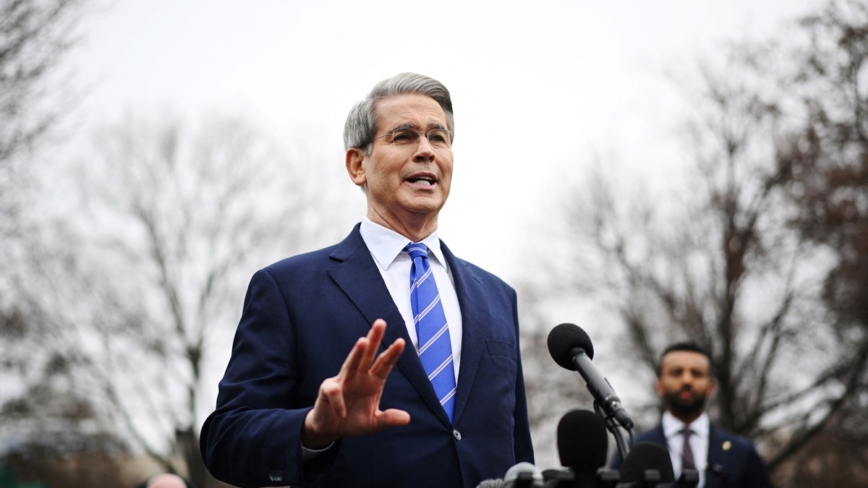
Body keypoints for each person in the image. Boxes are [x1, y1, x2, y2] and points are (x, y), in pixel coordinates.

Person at [199, 73, 534, 488]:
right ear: (358, 165)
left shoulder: (498, 297)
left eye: (439, 137)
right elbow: (227, 438)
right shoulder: (289, 290)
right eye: (404, 136)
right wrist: (313, 428)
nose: (426, 151)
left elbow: (520, 455)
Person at [612, 342, 772, 488]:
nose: (687, 380)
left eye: (697, 373)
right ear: (659, 385)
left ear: (710, 387)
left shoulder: (742, 452)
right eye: (676, 372)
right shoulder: (631, 450)